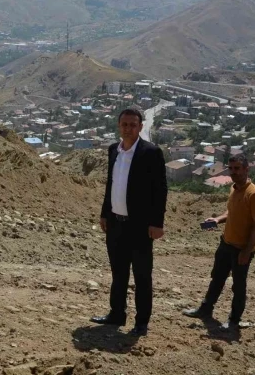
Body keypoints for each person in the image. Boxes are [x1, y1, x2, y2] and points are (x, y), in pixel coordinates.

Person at [89, 108, 168, 336]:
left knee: (142, 275)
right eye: (124, 124)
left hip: (140, 227)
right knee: (119, 272)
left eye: (133, 125)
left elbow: (160, 190)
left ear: (140, 127)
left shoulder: (151, 152)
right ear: (118, 126)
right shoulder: (114, 150)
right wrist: (105, 213)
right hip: (116, 223)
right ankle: (116, 314)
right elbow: (111, 184)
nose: (128, 128)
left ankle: (141, 322)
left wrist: (157, 223)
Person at [182, 153, 255, 331]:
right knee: (217, 278)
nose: (233, 172)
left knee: (238, 286)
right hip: (226, 243)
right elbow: (231, 213)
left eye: (237, 169)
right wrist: (217, 219)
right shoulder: (234, 188)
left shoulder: (254, 195)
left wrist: (247, 251)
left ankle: (234, 321)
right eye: (231, 168)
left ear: (246, 169)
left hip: (241, 249)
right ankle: (205, 310)